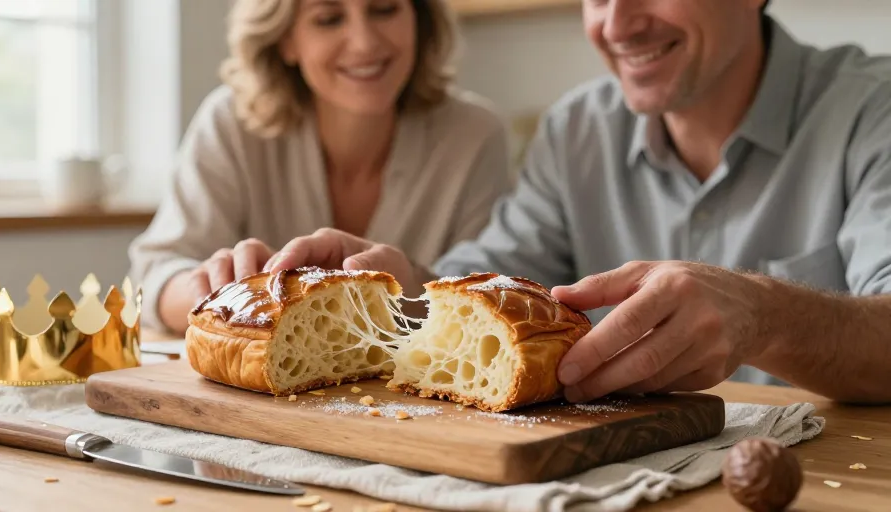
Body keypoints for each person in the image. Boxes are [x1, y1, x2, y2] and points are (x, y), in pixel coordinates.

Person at [261, 0, 891, 405]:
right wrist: (404, 289)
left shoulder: (872, 111)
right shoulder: (576, 131)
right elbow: (496, 276)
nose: (618, 24)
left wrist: (766, 313)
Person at [128, 0, 513, 335]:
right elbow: (152, 277)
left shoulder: (475, 135)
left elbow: (492, 296)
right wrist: (216, 291)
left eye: (384, 9)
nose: (364, 42)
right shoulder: (230, 122)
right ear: (286, 40)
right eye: (329, 18)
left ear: (419, 19)